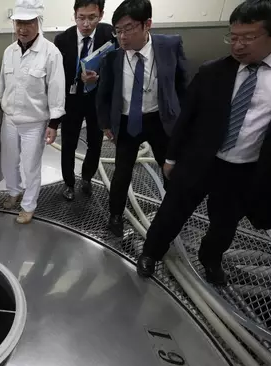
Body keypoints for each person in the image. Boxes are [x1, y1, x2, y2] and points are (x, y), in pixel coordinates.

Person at [137, 0, 271, 284]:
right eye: (233, 37)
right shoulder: (214, 71)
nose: (237, 46)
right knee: (172, 211)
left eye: (248, 37)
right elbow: (188, 118)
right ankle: (151, 252)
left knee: (224, 223)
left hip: (247, 168)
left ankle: (211, 259)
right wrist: (171, 158)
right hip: (201, 160)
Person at [97, 0, 188, 237]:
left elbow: (181, 83)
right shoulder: (113, 56)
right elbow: (104, 94)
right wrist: (106, 124)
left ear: (147, 24)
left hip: (160, 120)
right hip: (128, 122)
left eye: (128, 28)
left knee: (170, 169)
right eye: (118, 30)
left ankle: (174, 215)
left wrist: (184, 120)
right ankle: (115, 216)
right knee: (122, 172)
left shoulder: (169, 46)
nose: (122, 37)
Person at [0, 0, 66, 224]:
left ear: (38, 23)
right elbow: (2, 83)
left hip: (34, 123)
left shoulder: (51, 53)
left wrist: (54, 124)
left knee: (30, 165)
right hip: (10, 119)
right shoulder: (10, 51)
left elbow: (56, 89)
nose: (22, 29)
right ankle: (14, 191)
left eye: (28, 23)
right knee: (8, 160)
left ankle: (28, 205)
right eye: (18, 23)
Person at [54, 0, 114, 201]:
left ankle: (87, 177)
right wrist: (78, 76)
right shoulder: (62, 40)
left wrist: (100, 77)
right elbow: (58, 75)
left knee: (95, 143)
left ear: (101, 15)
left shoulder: (109, 35)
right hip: (72, 99)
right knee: (68, 143)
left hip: (97, 100)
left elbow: (117, 68)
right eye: (81, 17)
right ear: (74, 15)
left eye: (92, 17)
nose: (86, 24)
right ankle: (69, 183)